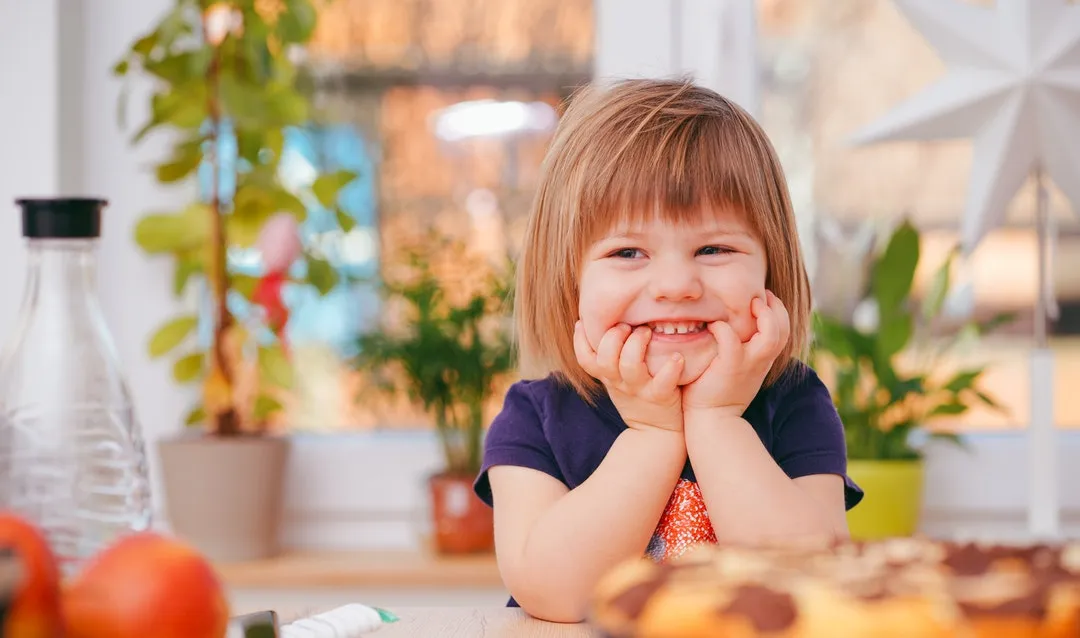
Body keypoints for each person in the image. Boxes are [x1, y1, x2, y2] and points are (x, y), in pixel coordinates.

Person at [472, 78, 863, 624]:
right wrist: (652, 434)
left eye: (714, 248)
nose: (676, 284)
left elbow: (811, 586)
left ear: (771, 270)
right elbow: (553, 594)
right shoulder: (534, 417)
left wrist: (718, 421)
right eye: (628, 251)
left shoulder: (795, 402)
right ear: (569, 282)